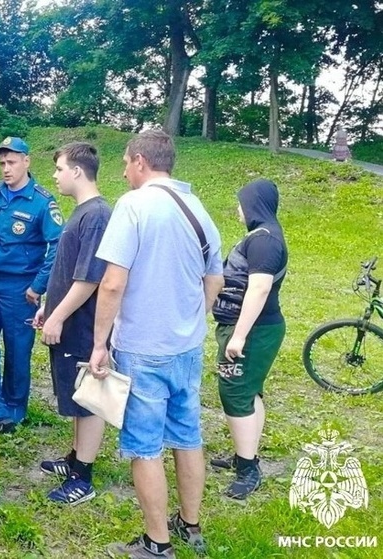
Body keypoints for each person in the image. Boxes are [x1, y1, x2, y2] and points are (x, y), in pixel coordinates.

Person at [88, 130, 223, 558]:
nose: (124, 170)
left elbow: (111, 283)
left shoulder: (134, 205)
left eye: (126, 162)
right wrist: (189, 319)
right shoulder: (198, 208)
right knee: (187, 437)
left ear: (142, 161)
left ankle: (156, 543)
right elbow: (214, 279)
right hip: (187, 348)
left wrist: (98, 344)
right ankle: (192, 525)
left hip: (143, 348)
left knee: (145, 447)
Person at [0, 137, 64, 433]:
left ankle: (14, 410)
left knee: (18, 350)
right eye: (2, 163)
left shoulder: (41, 202)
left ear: (26, 161)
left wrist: (38, 286)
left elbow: (57, 246)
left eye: (11, 162)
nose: (5, 169)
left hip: (22, 290)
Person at [31, 142, 111, 505]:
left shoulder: (96, 216)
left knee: (89, 398)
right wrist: (48, 308)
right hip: (66, 320)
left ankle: (84, 478)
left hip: (81, 324)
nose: (55, 175)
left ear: (77, 171)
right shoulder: (82, 213)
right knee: (76, 394)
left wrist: (58, 316)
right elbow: (66, 273)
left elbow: (89, 279)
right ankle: (75, 458)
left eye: (60, 168)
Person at [210, 178, 288, 500]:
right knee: (249, 391)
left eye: (241, 202)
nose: (237, 208)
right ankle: (246, 454)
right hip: (255, 329)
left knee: (235, 392)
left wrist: (238, 336)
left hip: (253, 331)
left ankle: (247, 470)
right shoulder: (263, 236)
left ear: (254, 204)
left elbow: (259, 288)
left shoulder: (265, 240)